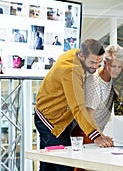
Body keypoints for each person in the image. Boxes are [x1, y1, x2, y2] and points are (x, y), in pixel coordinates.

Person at [34, 39, 114, 171]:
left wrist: (99, 133)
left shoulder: (77, 54)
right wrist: (96, 137)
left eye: (99, 63)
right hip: (50, 118)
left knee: (49, 163)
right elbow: (78, 107)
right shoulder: (71, 71)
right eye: (92, 62)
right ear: (82, 56)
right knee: (63, 164)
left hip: (59, 115)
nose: (95, 67)